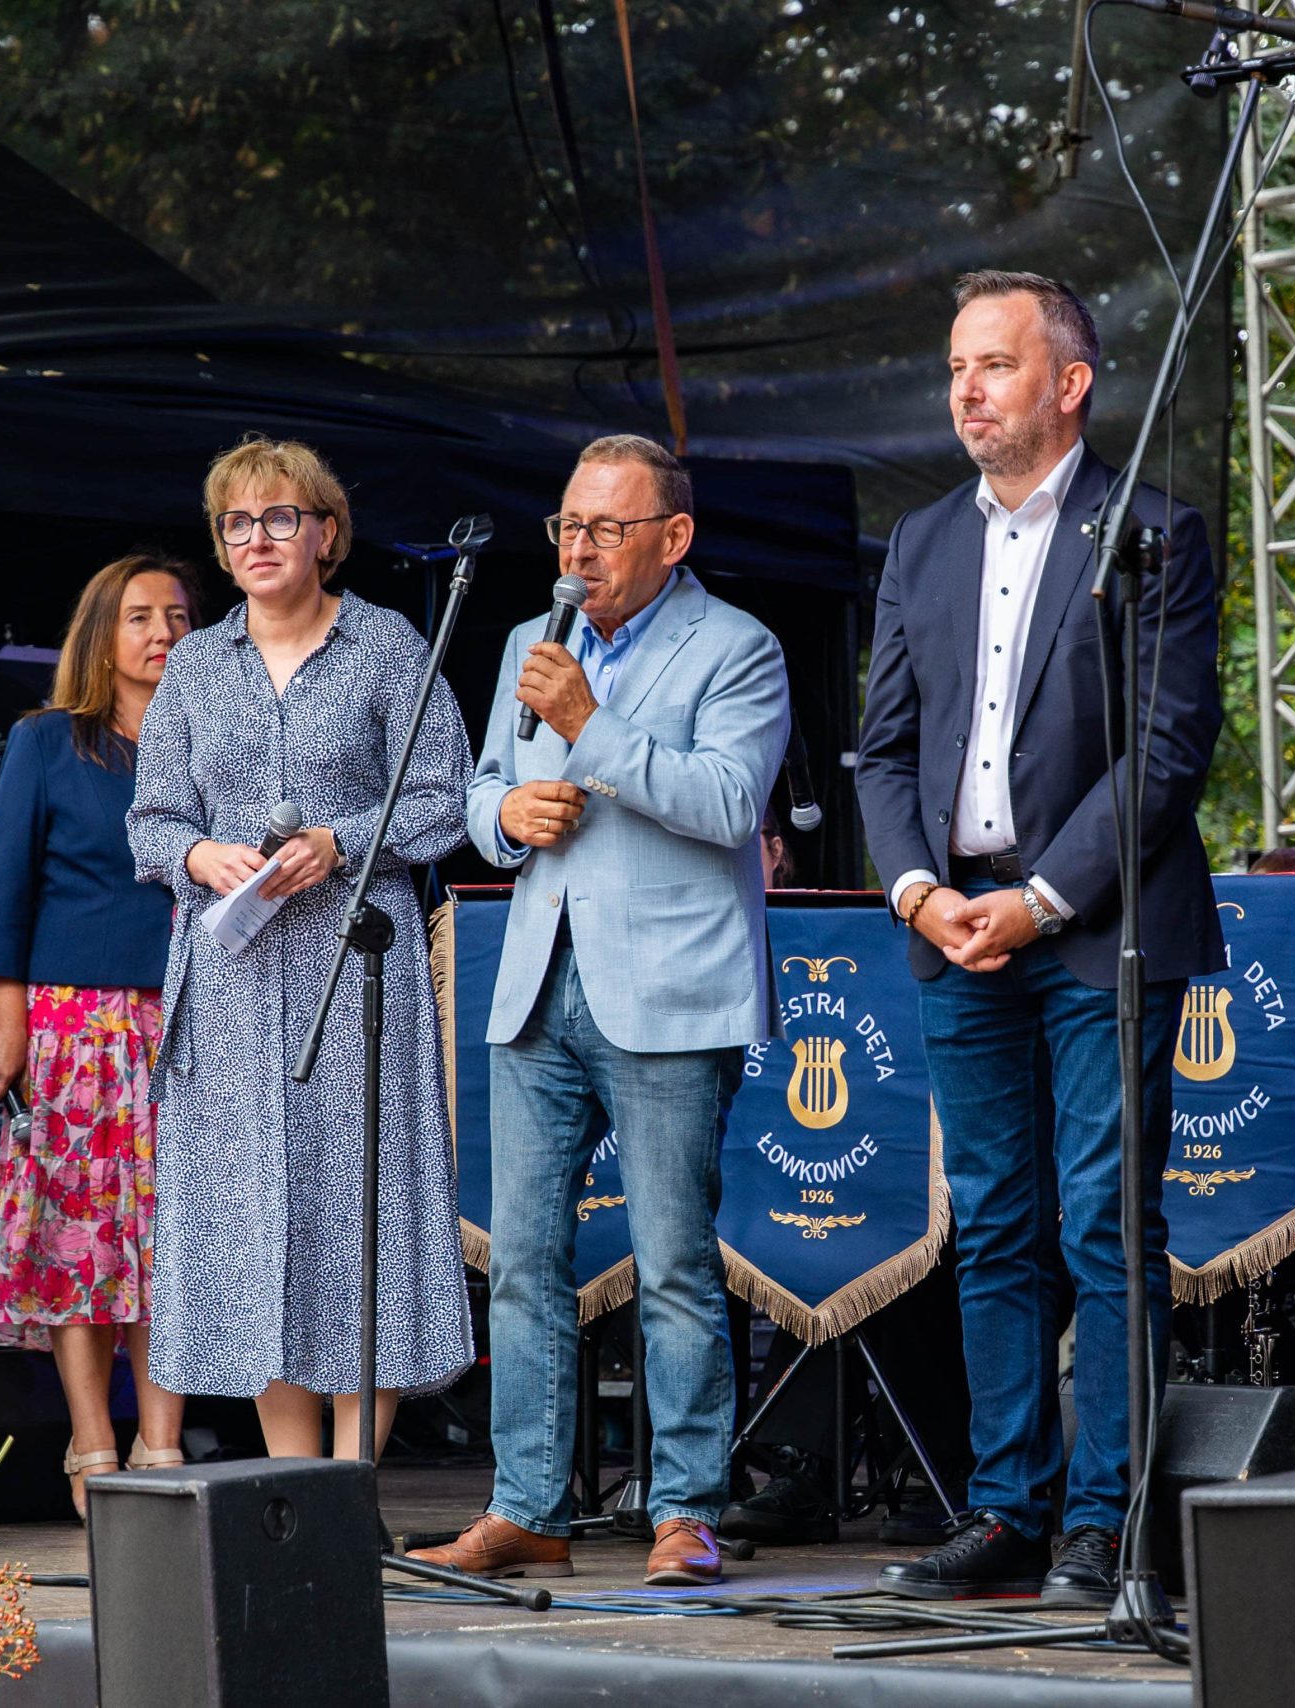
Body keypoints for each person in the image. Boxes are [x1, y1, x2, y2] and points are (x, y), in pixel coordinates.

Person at [855, 270, 1225, 1605]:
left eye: (996, 364)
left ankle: (1104, 1523)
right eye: (958, 364)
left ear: (1069, 385)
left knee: (1103, 1227)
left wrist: (1043, 898)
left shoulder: (1154, 533)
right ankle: (1007, 1511)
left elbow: (1168, 746)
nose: (967, 387)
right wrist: (917, 893)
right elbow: (882, 751)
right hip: (955, 929)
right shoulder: (920, 543)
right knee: (997, 1228)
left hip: (1092, 928)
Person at [408, 434, 790, 1589]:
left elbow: (728, 802)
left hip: (670, 991)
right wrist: (501, 815)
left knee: (672, 1261)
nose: (577, 552)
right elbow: (479, 790)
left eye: (604, 530)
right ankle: (527, 1506)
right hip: (536, 981)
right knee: (523, 1260)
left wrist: (590, 726)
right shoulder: (532, 639)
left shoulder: (738, 647)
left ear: (673, 538)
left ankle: (684, 1509)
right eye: (566, 528)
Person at [126, 438, 474, 1459]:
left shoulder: (386, 646)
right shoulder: (193, 663)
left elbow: (441, 797)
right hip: (230, 982)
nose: (258, 539)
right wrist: (200, 853)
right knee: (253, 1222)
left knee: (352, 1212)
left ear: (325, 531)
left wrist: (342, 840)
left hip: (353, 966)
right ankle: (291, 1486)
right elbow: (149, 821)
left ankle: (352, 1483)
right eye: (237, 524)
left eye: (280, 518)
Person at [0, 553, 197, 1517]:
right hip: (72, 1026)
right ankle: (92, 1441)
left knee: (169, 1241)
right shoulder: (49, 741)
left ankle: (164, 1442)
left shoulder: (213, 744)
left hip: (186, 1021)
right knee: (79, 1242)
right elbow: (5, 883)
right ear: (101, 633)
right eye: (140, 616)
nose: (162, 633)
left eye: (181, 616)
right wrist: (8, 1017)